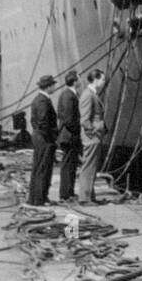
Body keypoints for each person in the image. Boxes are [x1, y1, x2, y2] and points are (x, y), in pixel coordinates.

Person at [77, 69, 108, 204]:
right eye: (102, 79)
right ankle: (84, 198)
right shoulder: (88, 95)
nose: (104, 81)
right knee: (89, 167)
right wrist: (93, 133)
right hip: (92, 137)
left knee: (92, 167)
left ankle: (90, 196)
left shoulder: (91, 94)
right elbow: (84, 119)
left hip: (94, 136)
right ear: (95, 79)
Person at [27, 75, 58, 206]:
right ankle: (39, 198)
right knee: (43, 169)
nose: (55, 87)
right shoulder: (43, 101)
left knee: (39, 168)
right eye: (53, 85)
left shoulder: (39, 100)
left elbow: (35, 121)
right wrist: (52, 137)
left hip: (40, 137)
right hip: (44, 139)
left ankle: (36, 197)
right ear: (49, 86)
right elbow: (43, 122)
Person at [55, 70, 81, 202]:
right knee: (67, 165)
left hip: (70, 135)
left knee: (71, 165)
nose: (80, 81)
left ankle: (69, 192)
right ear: (75, 81)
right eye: (79, 79)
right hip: (69, 136)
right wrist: (79, 130)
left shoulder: (68, 94)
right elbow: (69, 119)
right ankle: (65, 193)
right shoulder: (68, 96)